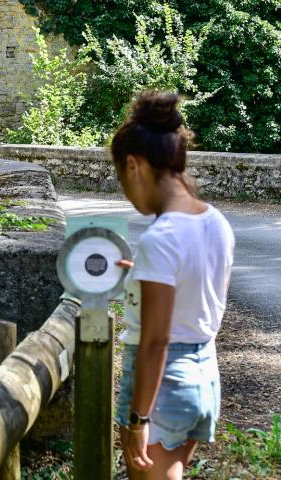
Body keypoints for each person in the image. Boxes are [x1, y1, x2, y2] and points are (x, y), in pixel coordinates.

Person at [112, 91, 235, 479]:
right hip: (203, 376)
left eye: (122, 179)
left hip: (161, 387)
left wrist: (138, 418)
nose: (128, 195)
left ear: (134, 165)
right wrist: (143, 275)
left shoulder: (160, 237)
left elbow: (156, 341)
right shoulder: (216, 221)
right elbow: (197, 289)